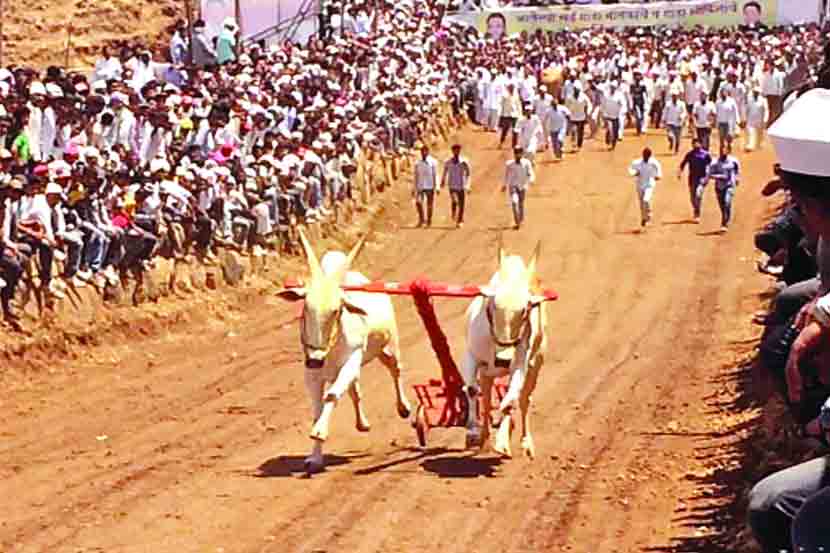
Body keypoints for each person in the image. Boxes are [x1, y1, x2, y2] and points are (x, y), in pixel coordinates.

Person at [707, 143, 741, 233]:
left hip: (729, 185)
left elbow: (737, 170)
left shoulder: (733, 161)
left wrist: (737, 178)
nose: (723, 151)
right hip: (719, 186)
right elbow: (710, 173)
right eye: (721, 150)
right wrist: (717, 176)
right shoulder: (715, 162)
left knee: (727, 201)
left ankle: (724, 223)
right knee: (722, 205)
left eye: (725, 150)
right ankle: (726, 217)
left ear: (729, 151)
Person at [678, 139, 712, 223]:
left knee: (698, 195)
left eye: (697, 143)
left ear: (700, 144)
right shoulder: (690, 154)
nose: (695, 145)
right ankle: (696, 208)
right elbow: (683, 164)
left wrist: (708, 176)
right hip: (692, 179)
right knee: (692, 198)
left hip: (702, 178)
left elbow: (711, 165)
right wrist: (680, 172)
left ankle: (697, 214)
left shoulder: (706, 154)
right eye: (694, 144)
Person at [628, 147, 662, 229]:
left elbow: (659, 171)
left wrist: (658, 176)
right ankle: (643, 218)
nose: (646, 156)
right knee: (641, 203)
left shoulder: (654, 163)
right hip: (639, 185)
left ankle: (649, 215)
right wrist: (634, 173)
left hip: (649, 184)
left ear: (650, 155)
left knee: (646, 200)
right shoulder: (637, 162)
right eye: (645, 155)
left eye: (647, 155)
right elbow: (630, 169)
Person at [502, 147, 534, 230]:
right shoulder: (509, 164)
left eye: (519, 153)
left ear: (522, 154)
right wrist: (504, 185)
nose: (517, 155)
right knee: (514, 202)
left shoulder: (526, 163)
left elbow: (530, 172)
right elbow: (506, 175)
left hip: (522, 186)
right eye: (516, 153)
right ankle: (517, 222)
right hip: (513, 186)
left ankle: (521, 219)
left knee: (521, 204)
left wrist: (531, 180)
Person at [441, 144, 471, 228]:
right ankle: (454, 212)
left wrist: (468, 185)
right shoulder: (448, 162)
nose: (456, 152)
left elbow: (468, 173)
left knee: (461, 204)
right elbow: (445, 171)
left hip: (461, 185)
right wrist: (443, 180)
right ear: (452, 151)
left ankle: (460, 220)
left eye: (458, 150)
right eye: (455, 150)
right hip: (452, 185)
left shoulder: (464, 162)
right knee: (454, 200)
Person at [413, 145, 438, 228]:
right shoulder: (417, 163)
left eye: (425, 151)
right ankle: (422, 219)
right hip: (420, 186)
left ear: (428, 152)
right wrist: (414, 188)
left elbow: (435, 174)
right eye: (422, 151)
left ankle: (429, 221)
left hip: (430, 185)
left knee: (429, 205)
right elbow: (416, 176)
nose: (423, 153)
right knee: (418, 202)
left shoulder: (433, 162)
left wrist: (437, 186)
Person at [745, 87, 770, 152]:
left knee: (760, 133)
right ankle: (750, 145)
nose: (755, 93)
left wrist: (765, 119)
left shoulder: (763, 100)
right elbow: (747, 109)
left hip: (760, 119)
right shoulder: (749, 100)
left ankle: (760, 143)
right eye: (754, 92)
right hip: (750, 119)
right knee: (751, 132)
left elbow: (766, 110)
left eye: (757, 92)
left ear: (759, 93)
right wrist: (745, 117)